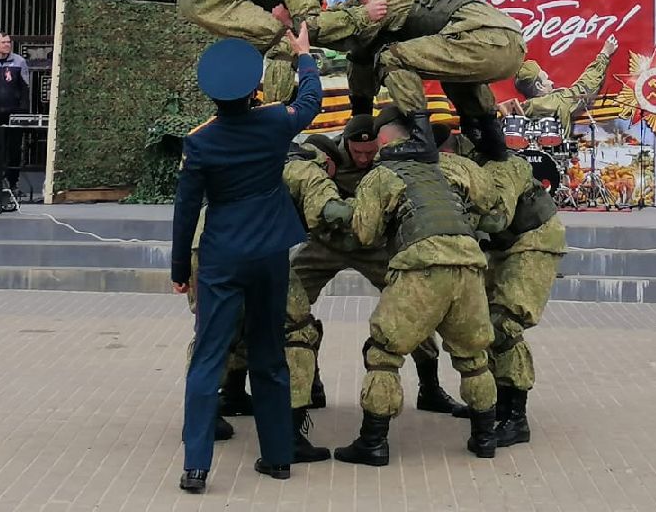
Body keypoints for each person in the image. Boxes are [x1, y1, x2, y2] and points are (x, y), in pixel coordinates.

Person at [170, 30, 322, 494]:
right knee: (269, 354)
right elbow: (311, 100)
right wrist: (304, 56)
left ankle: (197, 466)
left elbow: (186, 211)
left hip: (221, 257)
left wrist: (180, 270)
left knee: (209, 358)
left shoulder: (200, 143)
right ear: (254, 88)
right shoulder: (276, 121)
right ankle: (277, 457)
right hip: (270, 254)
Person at [333, 107, 504, 467]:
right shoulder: (452, 164)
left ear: (383, 138)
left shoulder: (383, 174)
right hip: (469, 264)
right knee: (474, 358)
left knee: (384, 354)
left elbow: (365, 234)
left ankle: (373, 442)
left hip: (421, 267)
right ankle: (485, 437)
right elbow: (490, 200)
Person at [285, 114, 465, 446]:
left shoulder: (389, 159)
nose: (366, 158)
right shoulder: (327, 155)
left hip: (373, 247)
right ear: (346, 143)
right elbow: (303, 163)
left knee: (413, 308)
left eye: (372, 152)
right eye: (359, 152)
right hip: (325, 245)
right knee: (289, 307)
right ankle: (309, 383)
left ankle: (430, 387)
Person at [450, 121, 568, 447]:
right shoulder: (471, 167)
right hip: (503, 245)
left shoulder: (505, 166)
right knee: (482, 322)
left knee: (504, 325)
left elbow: (497, 217)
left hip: (535, 240)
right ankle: (494, 402)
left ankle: (515, 418)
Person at [341, 0, 526, 164]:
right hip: (510, 41)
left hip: (483, 39)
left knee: (392, 57)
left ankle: (421, 140)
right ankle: (492, 142)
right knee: (455, 76)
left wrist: (308, 30)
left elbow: (349, 34)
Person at [176, 0, 376, 103]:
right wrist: (363, 16)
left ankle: (240, 104)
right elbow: (310, 28)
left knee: (262, 38)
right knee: (285, 39)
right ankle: (274, 117)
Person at [513, 36, 618, 138]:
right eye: (546, 78)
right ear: (539, 86)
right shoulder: (558, 101)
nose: (552, 82)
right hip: (556, 154)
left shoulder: (519, 110)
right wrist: (604, 54)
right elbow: (585, 86)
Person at [0, 31, 31, 195]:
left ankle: (13, 184)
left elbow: (25, 87)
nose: (7, 45)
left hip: (13, 113)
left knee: (14, 149)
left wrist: (23, 111)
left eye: (8, 42)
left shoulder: (19, 61)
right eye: (3, 42)